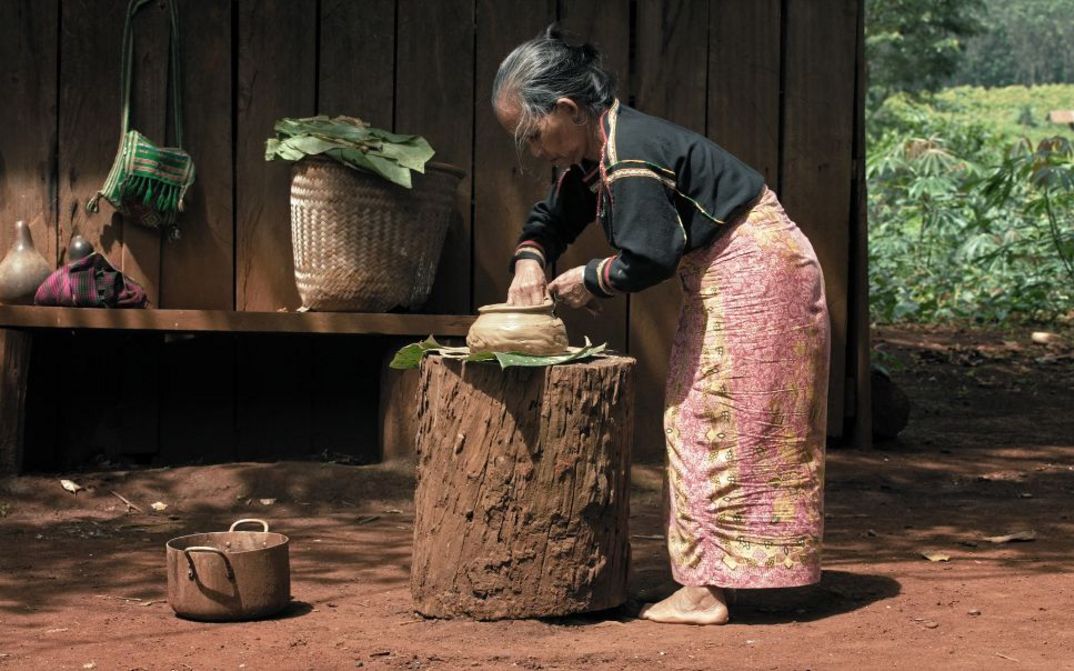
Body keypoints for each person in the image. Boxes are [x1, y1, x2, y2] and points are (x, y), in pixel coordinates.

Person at [492, 26, 831, 625]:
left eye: (533, 134)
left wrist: (590, 278)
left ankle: (706, 591)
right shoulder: (601, 151)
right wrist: (529, 261)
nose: (535, 152)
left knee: (714, 420)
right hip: (747, 269)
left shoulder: (631, 154)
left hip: (756, 270)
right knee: (710, 417)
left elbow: (650, 255)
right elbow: (553, 217)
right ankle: (722, 576)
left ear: (568, 109)